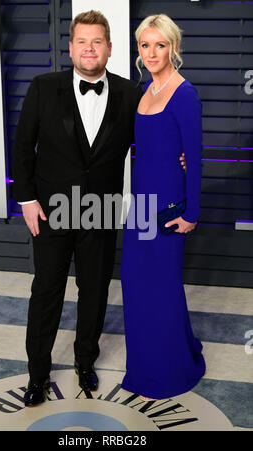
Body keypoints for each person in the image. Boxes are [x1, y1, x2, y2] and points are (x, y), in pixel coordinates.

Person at [12, 10, 185, 407]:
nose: (90, 49)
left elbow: (155, 139)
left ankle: (84, 361)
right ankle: (37, 374)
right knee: (46, 291)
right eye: (82, 42)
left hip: (103, 209)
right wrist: (26, 200)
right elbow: (23, 148)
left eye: (97, 42)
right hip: (52, 209)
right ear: (71, 48)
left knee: (94, 291)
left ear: (109, 49)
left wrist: (180, 159)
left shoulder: (131, 93)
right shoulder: (42, 87)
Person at [121, 14, 206, 401]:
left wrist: (191, 213)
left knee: (163, 288)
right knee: (137, 287)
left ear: (173, 47)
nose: (152, 52)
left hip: (169, 208)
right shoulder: (144, 92)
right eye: (145, 45)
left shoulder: (184, 94)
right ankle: (145, 364)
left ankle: (170, 371)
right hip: (139, 205)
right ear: (138, 49)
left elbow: (196, 158)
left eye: (160, 45)